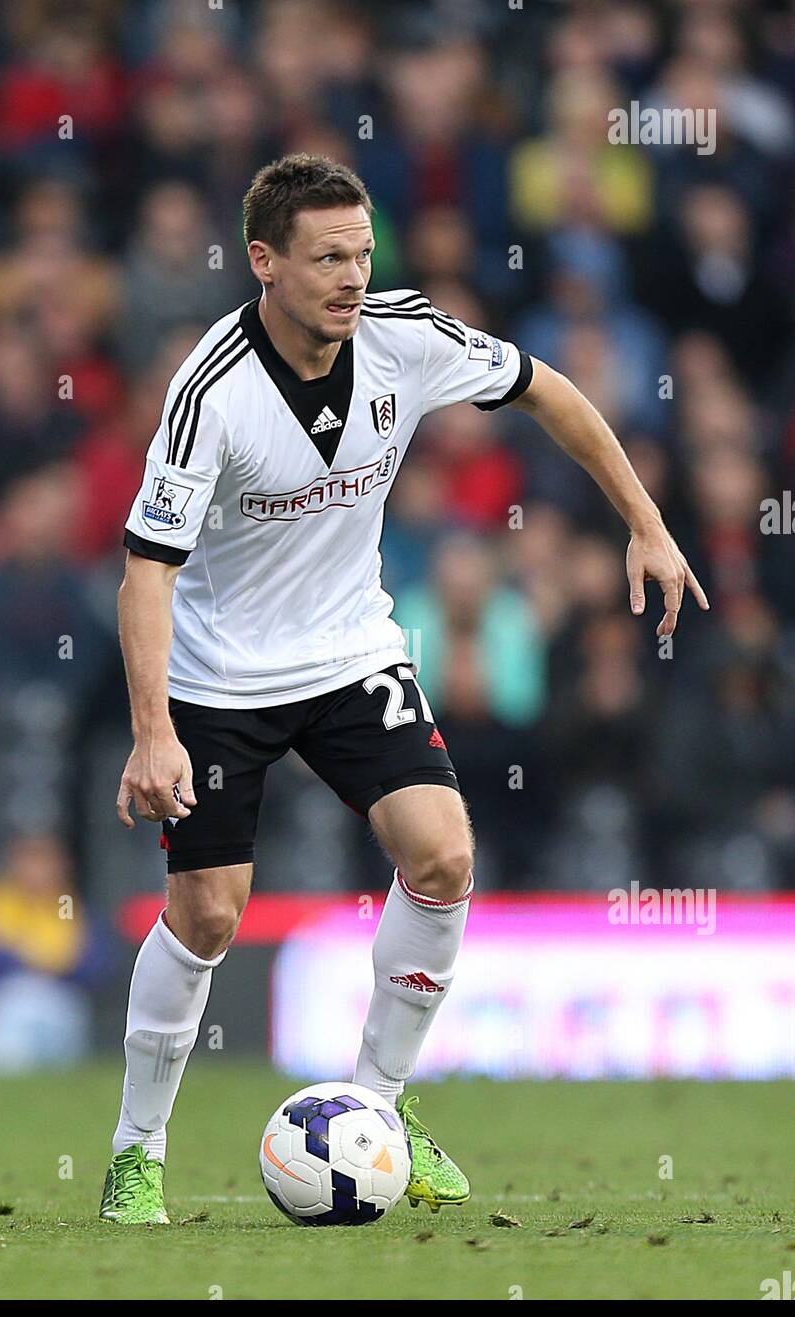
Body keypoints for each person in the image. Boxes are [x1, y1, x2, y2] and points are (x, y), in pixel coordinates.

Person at [101, 154, 708, 1225]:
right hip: (219, 675)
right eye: (327, 257)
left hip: (349, 653)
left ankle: (378, 1106)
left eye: (361, 252)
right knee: (207, 915)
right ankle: (135, 1151)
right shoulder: (211, 390)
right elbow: (147, 568)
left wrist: (646, 524)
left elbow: (549, 391)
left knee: (443, 852)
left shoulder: (405, 335)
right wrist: (153, 733)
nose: (350, 275)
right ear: (264, 261)